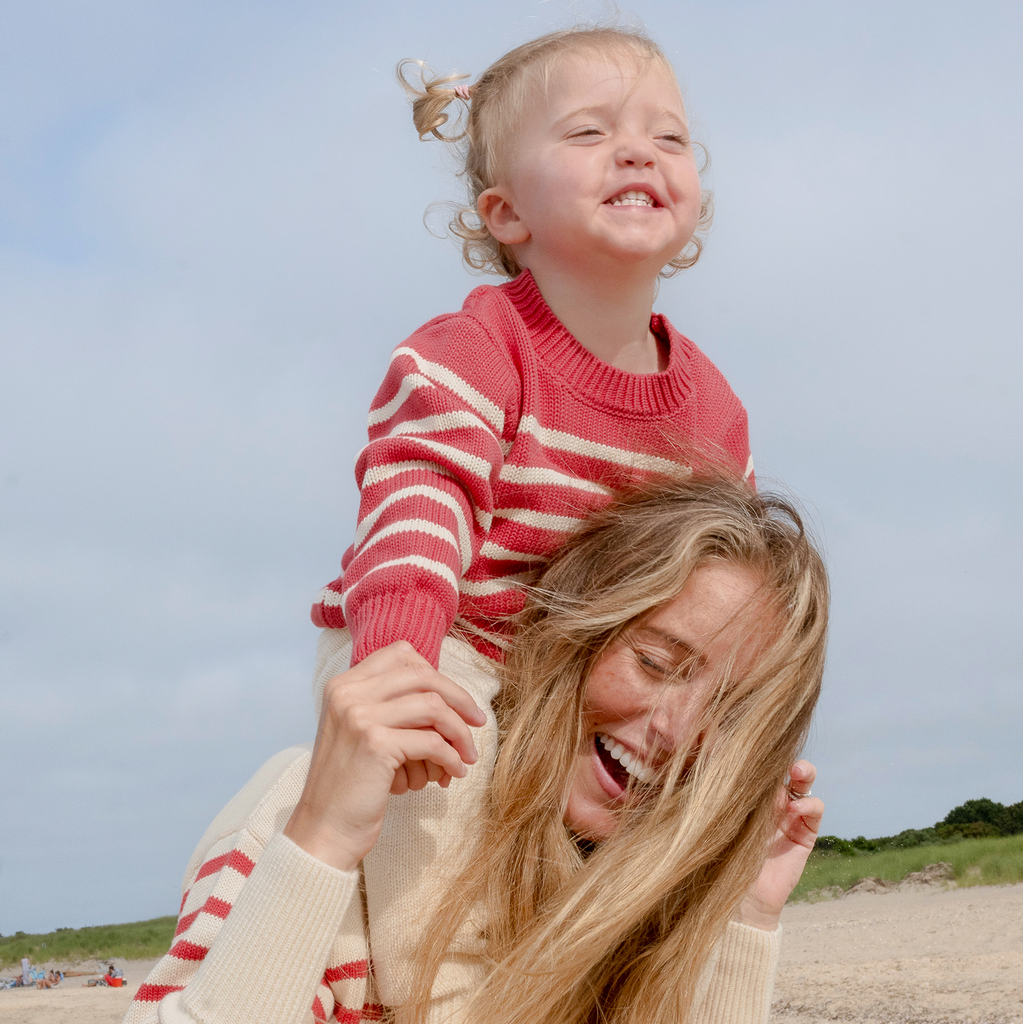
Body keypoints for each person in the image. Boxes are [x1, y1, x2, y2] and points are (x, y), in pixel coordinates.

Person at [309, 24, 758, 1002]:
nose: (637, 150)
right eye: (590, 132)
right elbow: (416, 503)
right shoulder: (478, 348)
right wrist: (399, 659)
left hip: (586, 677)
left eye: (669, 138)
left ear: (695, 199)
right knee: (446, 873)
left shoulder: (715, 410)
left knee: (669, 859)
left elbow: (729, 584)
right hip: (451, 636)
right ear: (505, 212)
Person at [126, 476, 829, 1024]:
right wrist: (323, 840)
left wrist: (743, 919)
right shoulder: (308, 825)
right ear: (568, 642)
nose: (676, 735)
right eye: (653, 663)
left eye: (734, 715)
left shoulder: (628, 908)